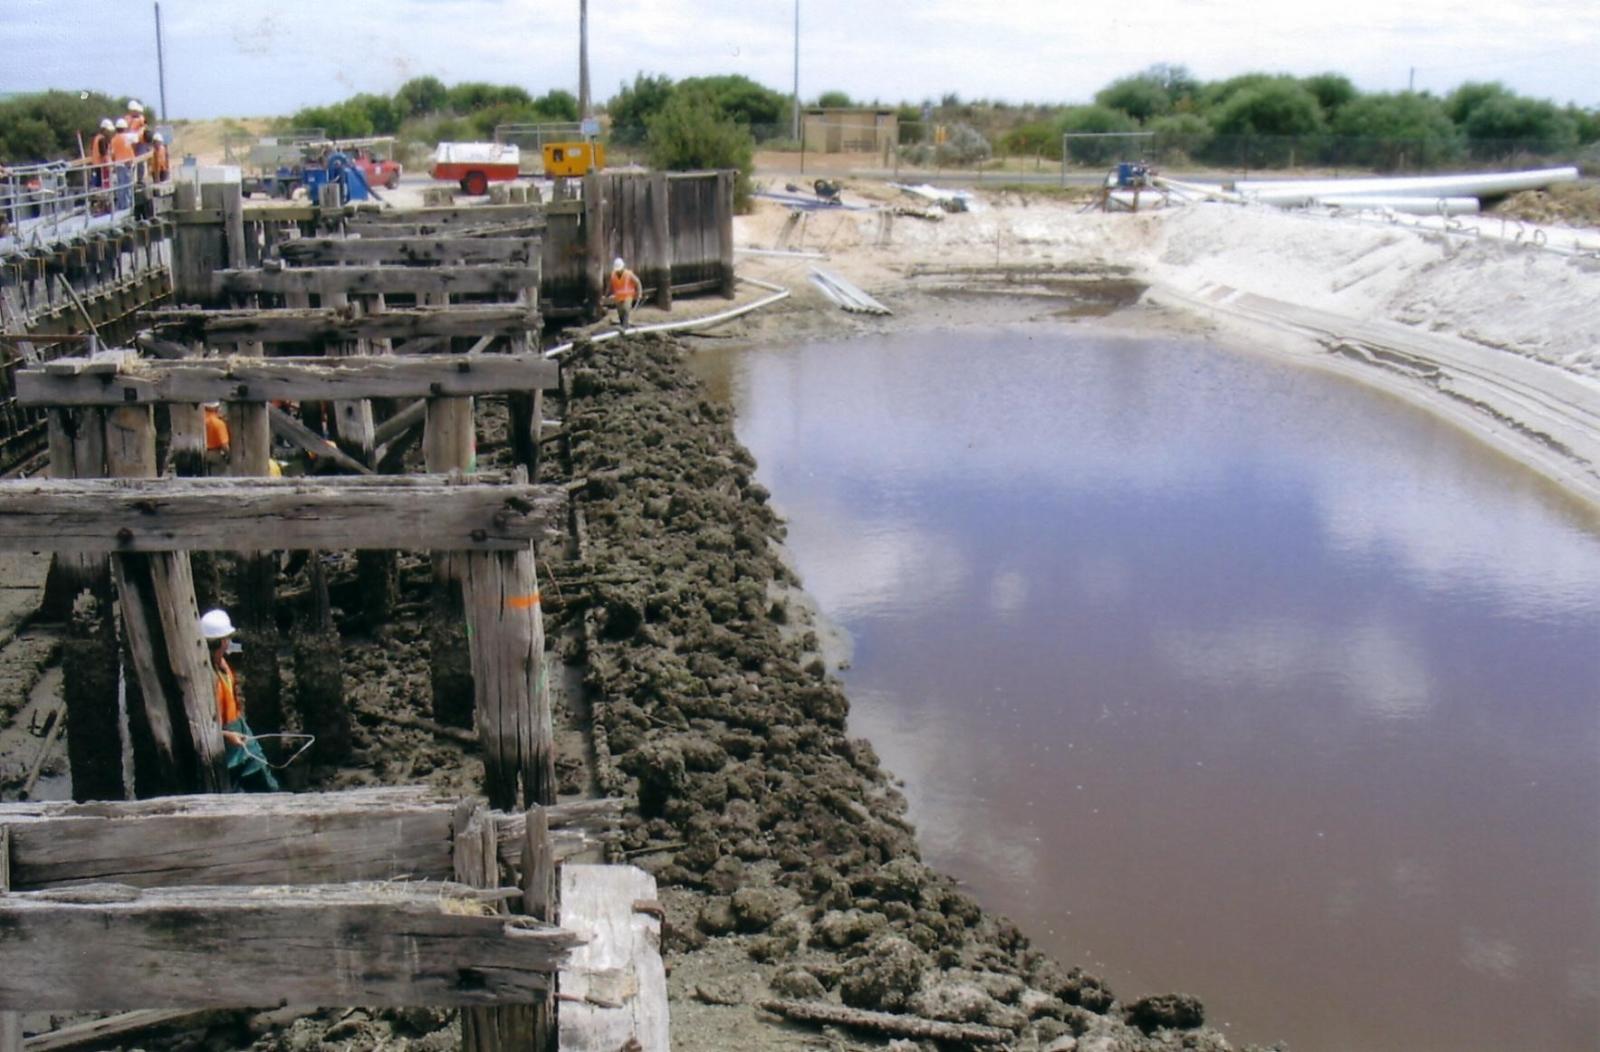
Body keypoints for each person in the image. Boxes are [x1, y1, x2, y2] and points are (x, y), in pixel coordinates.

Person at [200, 608, 279, 793]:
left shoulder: (222, 664)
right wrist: (227, 736)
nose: (229, 642)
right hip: (223, 742)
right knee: (231, 790)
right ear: (221, 642)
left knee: (263, 777)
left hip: (240, 730)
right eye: (227, 638)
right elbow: (198, 725)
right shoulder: (204, 676)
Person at [108, 117, 136, 210]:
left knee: (121, 186)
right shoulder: (127, 137)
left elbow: (112, 153)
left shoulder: (113, 139)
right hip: (127, 164)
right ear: (124, 128)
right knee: (128, 185)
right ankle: (128, 206)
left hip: (118, 164)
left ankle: (121, 205)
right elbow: (137, 139)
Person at [608, 257, 642, 329]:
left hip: (628, 296)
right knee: (620, 312)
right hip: (618, 297)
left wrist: (639, 293)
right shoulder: (613, 275)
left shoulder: (629, 274)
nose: (618, 271)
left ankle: (625, 327)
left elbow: (637, 282)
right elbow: (610, 285)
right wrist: (607, 294)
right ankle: (622, 325)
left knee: (626, 309)